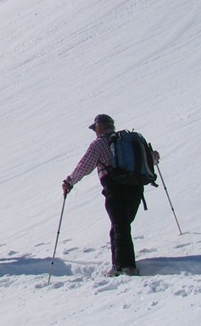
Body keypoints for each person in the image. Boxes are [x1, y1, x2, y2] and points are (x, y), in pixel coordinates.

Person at [62, 114, 159, 276]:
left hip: (115, 188)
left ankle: (125, 267)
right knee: (120, 226)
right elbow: (151, 158)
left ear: (100, 127)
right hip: (136, 187)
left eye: (95, 128)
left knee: (120, 226)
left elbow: (84, 166)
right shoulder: (128, 140)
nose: (95, 131)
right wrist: (154, 156)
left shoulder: (99, 144)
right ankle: (120, 264)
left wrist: (69, 181)